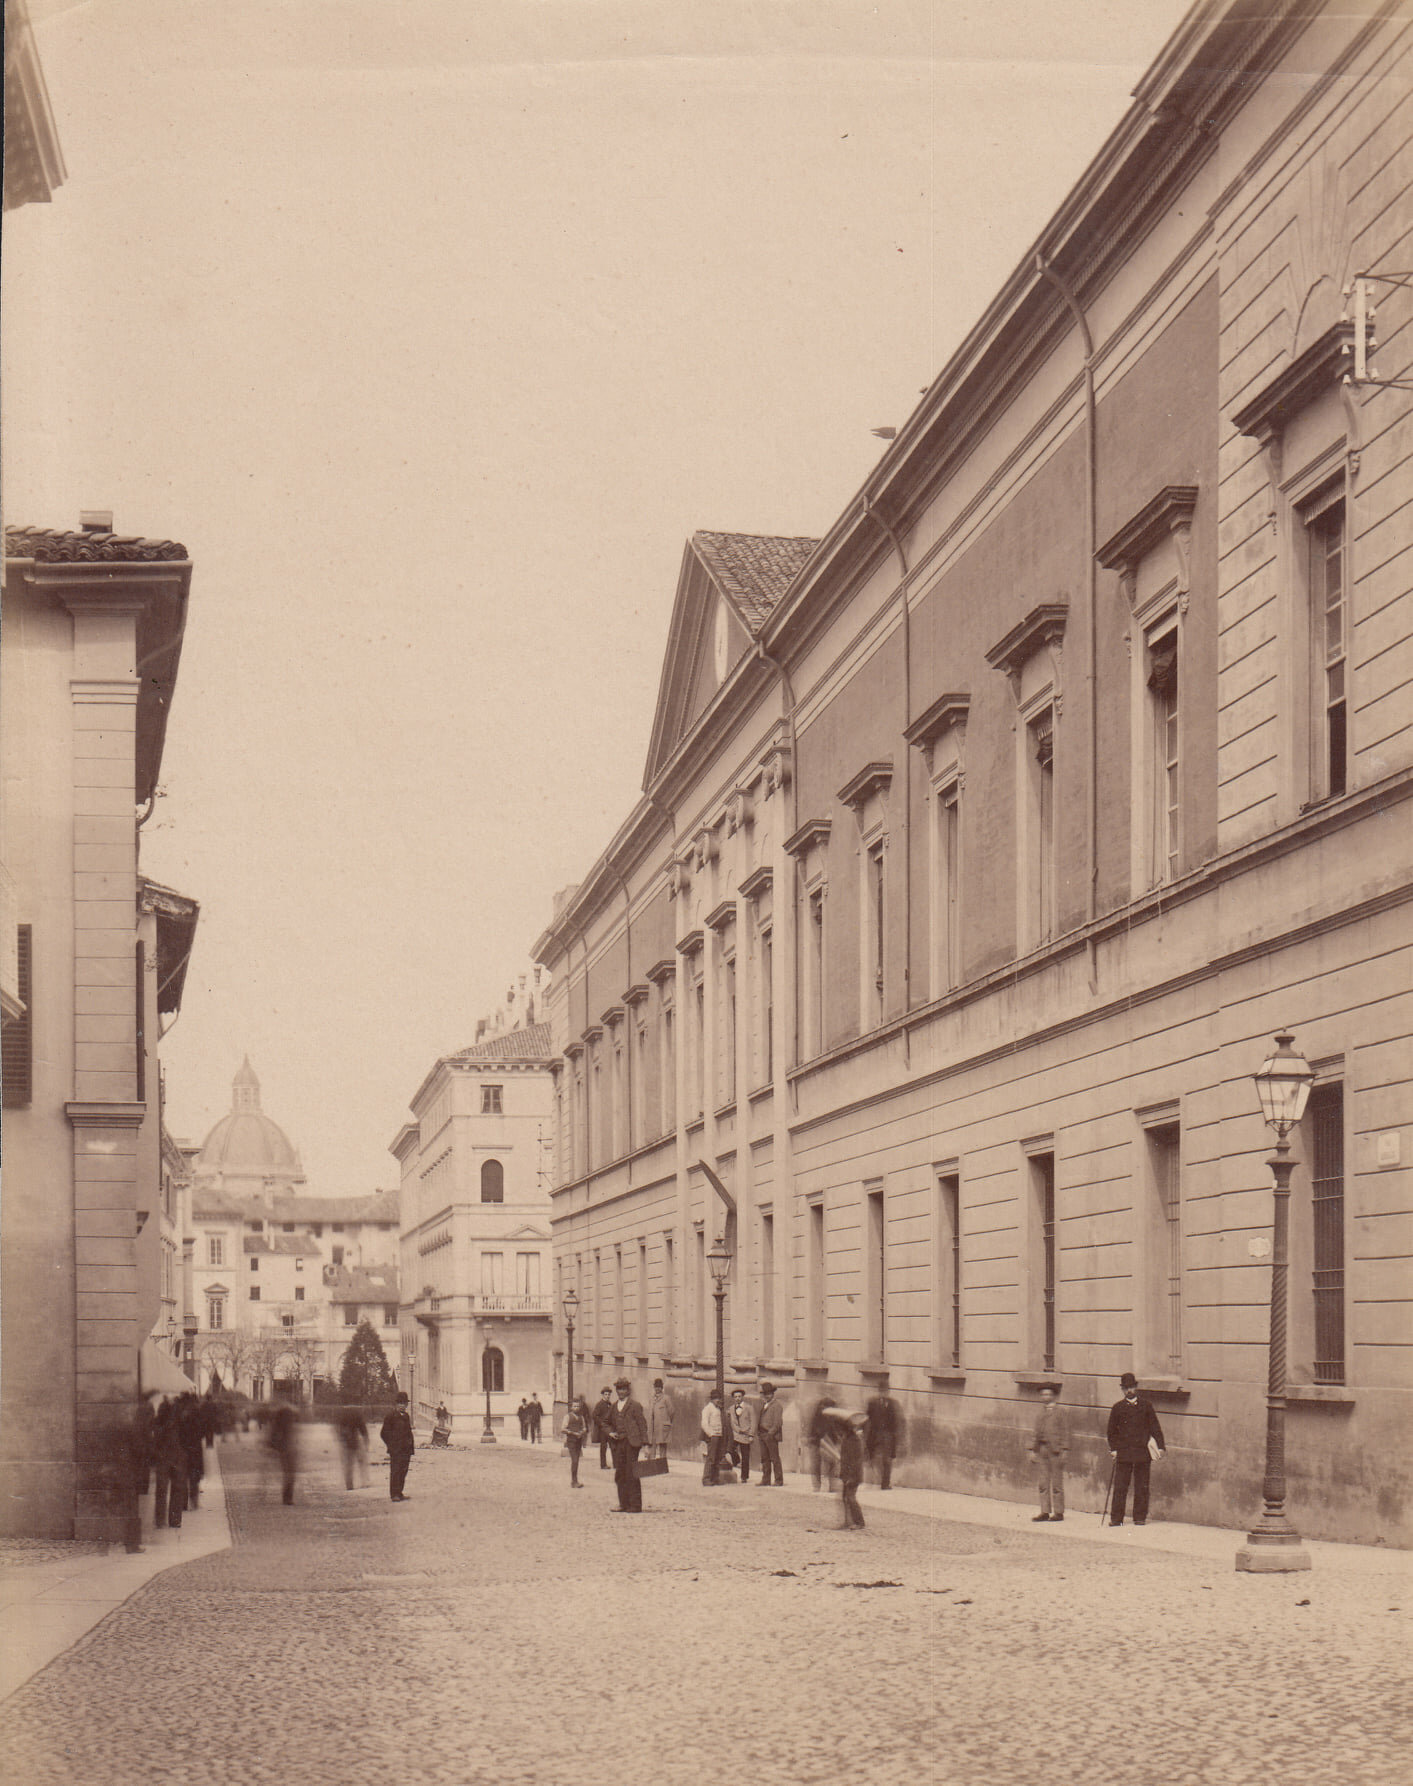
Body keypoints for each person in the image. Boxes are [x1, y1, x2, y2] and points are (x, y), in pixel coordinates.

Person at [1106, 1372, 1165, 1526]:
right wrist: (1114, 1449)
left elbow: (1155, 1427)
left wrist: (1161, 1446)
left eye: (1131, 1387)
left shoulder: (1146, 1406)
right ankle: (1116, 1518)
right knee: (1120, 1486)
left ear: (1136, 1387)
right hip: (1124, 1452)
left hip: (1142, 1452)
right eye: (1125, 1388)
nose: (1129, 1391)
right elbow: (1111, 1432)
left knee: (1142, 1485)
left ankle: (1139, 1517)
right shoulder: (1117, 1408)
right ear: (1122, 1390)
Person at [608, 1376, 648, 1512]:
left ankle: (635, 1505)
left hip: (632, 1443)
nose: (621, 1392)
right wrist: (610, 1432)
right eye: (619, 1389)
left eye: (624, 1389)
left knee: (632, 1473)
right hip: (618, 1443)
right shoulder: (613, 1407)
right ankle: (623, 1504)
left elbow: (642, 1425)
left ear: (628, 1390)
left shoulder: (635, 1406)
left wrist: (646, 1445)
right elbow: (605, 1422)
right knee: (620, 1473)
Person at [1029, 1383, 1066, 1521]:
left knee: (1057, 1482)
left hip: (1055, 1450)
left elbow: (1065, 1432)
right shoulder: (1040, 1414)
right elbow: (1035, 1433)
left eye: (1049, 1394)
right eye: (1043, 1394)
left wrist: (1065, 1450)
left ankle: (1059, 1512)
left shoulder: (1060, 1412)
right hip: (1042, 1449)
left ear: (1054, 1396)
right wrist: (1033, 1450)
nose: (1046, 1397)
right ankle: (1044, 1511)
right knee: (1043, 1482)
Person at [827, 1405, 866, 1529]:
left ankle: (859, 1522)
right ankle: (848, 1521)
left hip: (853, 1475)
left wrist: (850, 1476)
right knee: (845, 1498)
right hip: (848, 1474)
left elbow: (854, 1461)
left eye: (839, 1429)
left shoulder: (852, 1440)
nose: (838, 1432)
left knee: (850, 1498)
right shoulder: (848, 1439)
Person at [151, 1398, 187, 1530]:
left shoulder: (161, 1424)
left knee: (163, 1489)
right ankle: (174, 1520)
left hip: (167, 1458)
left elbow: (155, 1441)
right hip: (174, 1457)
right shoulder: (174, 1424)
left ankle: (162, 1520)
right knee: (175, 1489)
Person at [380, 1391, 415, 1502]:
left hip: (406, 1449)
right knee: (395, 1471)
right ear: (396, 1404)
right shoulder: (390, 1416)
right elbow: (383, 1433)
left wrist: (410, 1446)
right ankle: (394, 1494)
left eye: (404, 1404)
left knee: (403, 1471)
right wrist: (391, 1446)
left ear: (407, 1405)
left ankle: (399, 1492)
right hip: (396, 1450)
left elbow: (409, 1432)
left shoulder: (406, 1416)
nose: (402, 1406)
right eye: (400, 1403)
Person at [864, 1387, 901, 1490]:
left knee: (887, 1460)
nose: (883, 1394)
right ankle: (869, 1482)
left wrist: (894, 1436)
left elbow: (895, 1421)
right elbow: (867, 1418)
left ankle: (885, 1484)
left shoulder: (892, 1404)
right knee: (871, 1457)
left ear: (888, 1392)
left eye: (885, 1392)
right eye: (882, 1391)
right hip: (875, 1435)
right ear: (879, 1392)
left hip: (888, 1436)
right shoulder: (872, 1403)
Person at [267, 1399, 299, 1505]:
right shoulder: (286, 1415)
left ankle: (287, 1497)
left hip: (284, 1448)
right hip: (287, 1448)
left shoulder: (279, 1418)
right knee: (290, 1473)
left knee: (288, 1473)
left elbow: (273, 1434)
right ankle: (287, 1497)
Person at [756, 1382, 785, 1486]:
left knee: (774, 1458)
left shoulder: (777, 1406)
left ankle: (778, 1480)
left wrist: (770, 1433)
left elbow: (778, 1423)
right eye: (765, 1394)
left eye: (769, 1393)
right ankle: (766, 1479)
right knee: (764, 1458)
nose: (767, 1396)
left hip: (770, 1435)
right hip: (762, 1434)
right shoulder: (765, 1404)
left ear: (773, 1394)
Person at [807, 1396, 838, 1493]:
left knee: (826, 1464)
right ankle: (819, 1486)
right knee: (818, 1464)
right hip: (818, 1442)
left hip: (826, 1443)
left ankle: (825, 1486)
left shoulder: (831, 1416)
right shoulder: (820, 1416)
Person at [336, 1403, 369, 1489]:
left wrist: (341, 1439)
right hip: (354, 1440)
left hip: (347, 1441)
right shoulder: (357, 1414)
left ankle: (349, 1483)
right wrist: (366, 1441)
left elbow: (339, 1429)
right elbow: (363, 1429)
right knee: (361, 1461)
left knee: (348, 1463)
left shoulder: (343, 1414)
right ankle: (364, 1482)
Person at [729, 1387, 756, 1484]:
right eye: (735, 1397)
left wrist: (751, 1434)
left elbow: (753, 1422)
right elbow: (731, 1421)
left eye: (739, 1396)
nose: (737, 1398)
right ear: (733, 1398)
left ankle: (744, 1476)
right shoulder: (731, 1408)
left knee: (745, 1456)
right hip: (736, 1434)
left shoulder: (749, 1408)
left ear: (743, 1397)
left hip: (746, 1435)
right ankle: (737, 1461)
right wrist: (736, 1429)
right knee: (730, 1449)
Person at [700, 1389, 726, 1485]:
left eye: (719, 1398)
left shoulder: (718, 1409)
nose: (718, 1400)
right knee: (711, 1458)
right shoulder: (707, 1409)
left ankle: (715, 1478)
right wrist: (711, 1434)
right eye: (716, 1398)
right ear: (712, 1399)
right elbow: (704, 1423)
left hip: (719, 1435)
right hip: (713, 1436)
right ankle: (706, 1479)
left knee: (717, 1457)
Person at [563, 1394, 589, 1487]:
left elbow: (585, 1428)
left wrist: (581, 1432)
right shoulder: (567, 1416)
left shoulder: (581, 1417)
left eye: (578, 1406)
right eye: (574, 1406)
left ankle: (575, 1480)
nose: (576, 1408)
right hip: (571, 1441)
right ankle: (574, 1481)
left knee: (577, 1460)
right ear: (571, 1407)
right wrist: (573, 1433)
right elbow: (563, 1429)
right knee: (575, 1460)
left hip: (579, 1441)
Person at [648, 1378, 673, 1460]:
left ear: (662, 1388)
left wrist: (667, 1422)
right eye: (656, 1387)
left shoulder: (666, 1398)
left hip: (662, 1427)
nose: (657, 1389)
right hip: (653, 1427)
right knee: (652, 1446)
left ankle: (662, 1464)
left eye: (659, 1387)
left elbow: (671, 1412)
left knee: (662, 1446)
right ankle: (651, 1463)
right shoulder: (652, 1399)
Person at [592, 1388, 615, 1469]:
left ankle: (616, 1464)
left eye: (609, 1394)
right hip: (602, 1430)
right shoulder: (599, 1404)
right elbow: (594, 1416)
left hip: (610, 1429)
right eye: (606, 1394)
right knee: (603, 1447)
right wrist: (601, 1423)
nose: (607, 1396)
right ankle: (603, 1464)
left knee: (613, 1446)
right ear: (602, 1395)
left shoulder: (610, 1404)